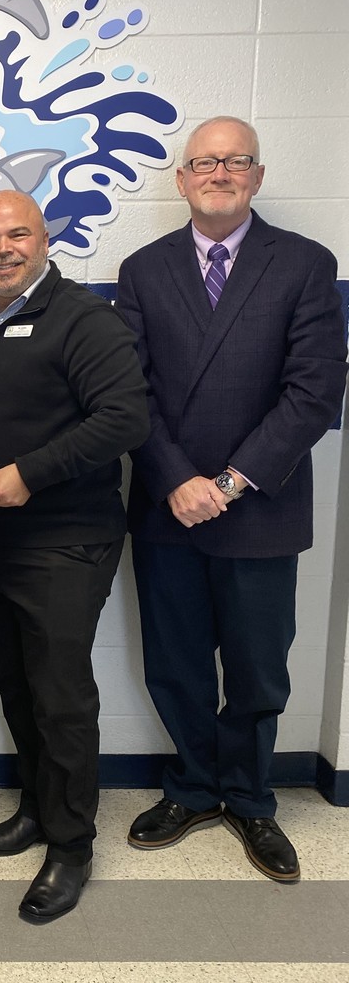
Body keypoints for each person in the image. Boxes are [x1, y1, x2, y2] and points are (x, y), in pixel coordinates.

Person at [116, 116, 347, 882]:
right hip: (166, 506)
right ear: (181, 180)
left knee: (256, 670)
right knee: (175, 665)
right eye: (203, 162)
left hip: (258, 505)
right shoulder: (142, 270)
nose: (219, 172)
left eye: (234, 160)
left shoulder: (307, 264)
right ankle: (192, 787)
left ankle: (250, 799)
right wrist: (176, 479)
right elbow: (131, 394)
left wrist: (225, 483)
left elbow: (314, 391)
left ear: (256, 175)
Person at [0, 190, 149, 923]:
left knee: (60, 695)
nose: (2, 248)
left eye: (17, 233)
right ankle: (37, 806)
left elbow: (125, 418)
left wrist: (29, 473)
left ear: (45, 238)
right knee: (17, 685)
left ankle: (71, 845)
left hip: (68, 538)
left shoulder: (85, 319)